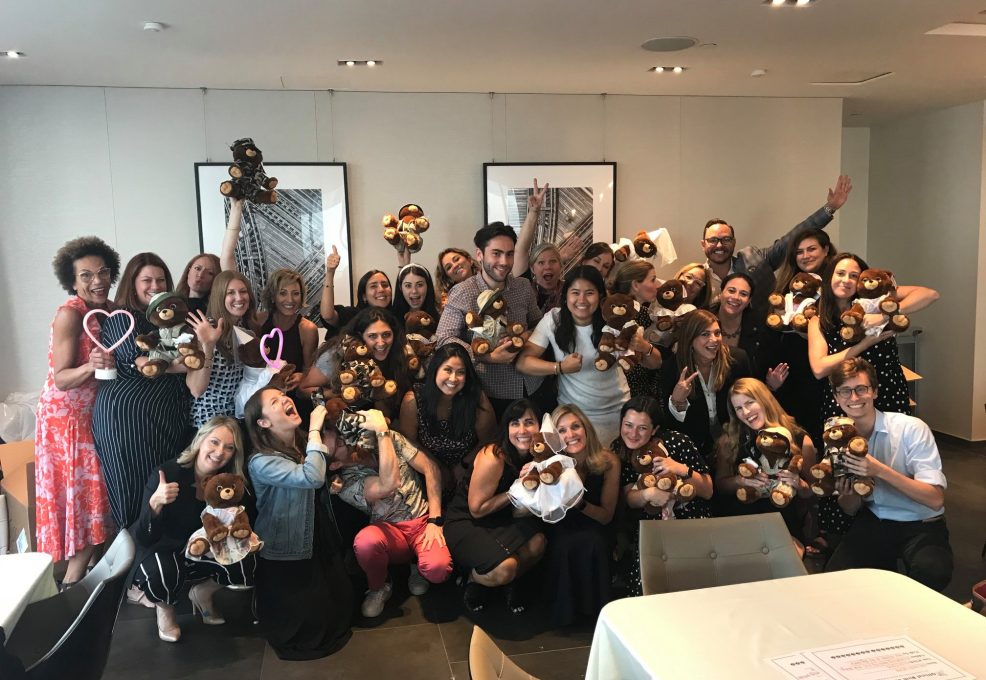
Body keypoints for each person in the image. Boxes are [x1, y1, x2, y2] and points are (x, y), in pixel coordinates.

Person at [823, 358, 952, 592]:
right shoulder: (837, 437)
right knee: (836, 578)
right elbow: (851, 508)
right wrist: (846, 492)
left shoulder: (911, 428)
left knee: (932, 571)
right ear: (836, 397)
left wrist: (879, 470)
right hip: (876, 519)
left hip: (921, 521)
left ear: (874, 391)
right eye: (845, 391)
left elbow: (935, 499)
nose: (854, 398)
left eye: (861, 389)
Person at [245, 389, 354, 660]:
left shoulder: (299, 443)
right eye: (274, 402)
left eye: (283, 395)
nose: (285, 399)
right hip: (285, 542)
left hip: (315, 530)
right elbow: (311, 477)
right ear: (263, 422)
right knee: (301, 608)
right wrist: (316, 430)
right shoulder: (261, 461)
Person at [36, 236, 119, 586]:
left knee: (94, 502)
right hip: (65, 421)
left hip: (91, 417)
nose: (96, 281)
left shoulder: (111, 309)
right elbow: (62, 379)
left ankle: (89, 584)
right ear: (72, 281)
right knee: (82, 503)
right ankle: (71, 585)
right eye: (86, 275)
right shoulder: (70, 314)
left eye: (102, 272)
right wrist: (91, 366)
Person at [130, 416, 256, 643]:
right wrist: (155, 504)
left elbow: (244, 521)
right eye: (214, 442)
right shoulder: (167, 473)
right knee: (163, 571)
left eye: (229, 447)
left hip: (203, 550)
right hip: (163, 550)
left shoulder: (230, 482)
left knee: (249, 557)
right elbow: (144, 537)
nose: (220, 452)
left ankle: (203, 592)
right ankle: (165, 608)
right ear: (200, 440)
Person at [93, 253, 192, 532]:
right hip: (128, 422)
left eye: (161, 279)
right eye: (146, 280)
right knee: (134, 490)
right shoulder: (124, 319)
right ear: (132, 284)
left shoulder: (169, 320)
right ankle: (134, 559)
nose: (155, 285)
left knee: (163, 487)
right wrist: (190, 365)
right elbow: (146, 364)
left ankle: (159, 555)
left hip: (165, 419)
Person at [325, 402, 453, 618]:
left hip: (423, 522)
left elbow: (430, 468)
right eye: (339, 444)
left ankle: (418, 566)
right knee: (366, 542)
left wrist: (435, 519)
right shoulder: (346, 483)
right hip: (390, 533)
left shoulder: (388, 439)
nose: (346, 440)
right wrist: (382, 432)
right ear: (335, 465)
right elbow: (388, 484)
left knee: (438, 570)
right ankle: (379, 586)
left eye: (341, 436)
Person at [518, 266, 658, 445]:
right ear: (566, 295)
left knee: (613, 466)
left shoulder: (615, 319)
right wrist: (559, 368)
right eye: (575, 292)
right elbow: (523, 362)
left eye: (589, 293)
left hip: (616, 411)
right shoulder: (553, 320)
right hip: (573, 416)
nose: (582, 300)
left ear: (600, 296)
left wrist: (644, 347)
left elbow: (655, 363)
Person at [443, 399, 547, 614]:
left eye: (529, 422)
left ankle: (505, 581)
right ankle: (473, 580)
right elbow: (477, 509)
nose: (522, 430)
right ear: (506, 427)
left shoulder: (538, 455)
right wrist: (516, 490)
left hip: (503, 518)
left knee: (538, 543)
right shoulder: (494, 455)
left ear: (540, 426)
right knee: (505, 568)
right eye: (515, 423)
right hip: (467, 521)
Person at [436, 222, 546, 420]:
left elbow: (538, 323)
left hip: (533, 384)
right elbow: (444, 339)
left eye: (509, 254)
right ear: (479, 255)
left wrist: (526, 335)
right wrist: (488, 356)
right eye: (496, 253)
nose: (504, 261)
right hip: (490, 392)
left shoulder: (523, 286)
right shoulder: (462, 292)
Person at [701, 174, 852, 317]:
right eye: (713, 240)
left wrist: (830, 207)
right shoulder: (696, 277)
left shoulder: (752, 259)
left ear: (734, 242)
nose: (719, 245)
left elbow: (793, 237)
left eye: (726, 239)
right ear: (703, 244)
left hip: (761, 339)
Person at [612, 396, 711, 597]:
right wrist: (649, 494)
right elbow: (627, 498)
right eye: (628, 425)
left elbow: (708, 490)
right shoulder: (618, 449)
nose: (632, 433)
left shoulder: (677, 441)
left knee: (694, 578)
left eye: (642, 428)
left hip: (690, 515)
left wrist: (681, 469)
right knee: (648, 584)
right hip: (650, 521)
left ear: (655, 429)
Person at [544, 404, 620, 626]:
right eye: (562, 430)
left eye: (575, 427)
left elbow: (606, 516)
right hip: (561, 524)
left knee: (594, 541)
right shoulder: (552, 464)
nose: (570, 435)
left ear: (586, 428)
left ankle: (594, 610)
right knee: (563, 544)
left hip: (595, 521)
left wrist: (580, 504)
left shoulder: (608, 461)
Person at [714, 378, 816, 540]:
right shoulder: (729, 439)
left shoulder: (798, 437)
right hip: (743, 522)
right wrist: (742, 481)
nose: (746, 412)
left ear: (764, 400)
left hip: (783, 523)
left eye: (749, 403)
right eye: (739, 408)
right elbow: (720, 486)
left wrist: (798, 483)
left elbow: (812, 491)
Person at [397, 343, 496, 496]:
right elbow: (408, 444)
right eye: (448, 370)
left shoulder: (476, 398)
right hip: (425, 469)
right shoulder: (414, 399)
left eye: (460, 372)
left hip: (468, 468)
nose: (453, 378)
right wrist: (436, 469)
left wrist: (462, 466)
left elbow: (489, 440)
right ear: (435, 370)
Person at [771, 228, 838, 451]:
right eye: (799, 252)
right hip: (790, 368)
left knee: (823, 429)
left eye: (812, 249)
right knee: (793, 431)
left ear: (826, 250)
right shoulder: (787, 287)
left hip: (823, 368)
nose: (805, 256)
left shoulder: (835, 287)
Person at [660, 309, 752, 463]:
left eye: (717, 333)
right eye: (705, 334)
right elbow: (671, 428)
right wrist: (677, 402)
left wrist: (730, 434)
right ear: (690, 339)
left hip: (736, 443)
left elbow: (751, 401)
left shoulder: (738, 360)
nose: (714, 339)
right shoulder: (672, 368)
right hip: (695, 451)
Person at [302, 307, 410, 421]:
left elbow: (385, 411)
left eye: (386, 334)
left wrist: (379, 393)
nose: (381, 342)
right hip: (335, 421)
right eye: (372, 336)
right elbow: (303, 390)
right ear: (360, 335)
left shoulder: (398, 353)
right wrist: (340, 393)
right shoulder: (337, 353)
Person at [186, 270, 258, 427]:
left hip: (235, 423)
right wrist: (209, 346)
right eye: (230, 293)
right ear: (220, 297)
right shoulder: (205, 329)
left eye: (243, 291)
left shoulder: (244, 330)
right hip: (206, 425)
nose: (239, 298)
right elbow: (196, 390)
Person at [713, 272, 784, 385]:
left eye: (743, 294)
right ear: (721, 293)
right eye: (731, 291)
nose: (736, 297)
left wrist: (771, 386)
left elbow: (765, 374)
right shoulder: (702, 320)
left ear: (749, 301)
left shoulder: (762, 328)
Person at [256, 267, 319, 390]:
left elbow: (309, 371)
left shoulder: (308, 329)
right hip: (261, 393)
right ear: (273, 296)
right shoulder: (258, 321)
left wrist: (302, 376)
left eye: (295, 294)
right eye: (283, 293)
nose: (290, 300)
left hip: (292, 394)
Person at [611, 260, 664, 399]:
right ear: (635, 285)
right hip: (622, 392)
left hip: (639, 393)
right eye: (653, 280)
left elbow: (657, 362)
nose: (657, 285)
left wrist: (645, 347)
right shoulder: (612, 313)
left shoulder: (648, 315)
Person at [320, 248, 393, 333]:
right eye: (373, 286)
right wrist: (330, 272)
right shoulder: (353, 316)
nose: (381, 289)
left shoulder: (396, 317)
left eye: (385, 285)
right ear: (364, 296)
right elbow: (328, 316)